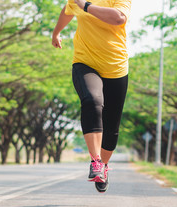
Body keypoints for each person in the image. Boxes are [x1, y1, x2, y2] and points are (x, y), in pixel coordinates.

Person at [52, 0, 131, 193]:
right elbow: (68, 10)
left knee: (111, 127)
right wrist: (56, 33)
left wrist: (85, 5)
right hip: (85, 61)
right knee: (92, 100)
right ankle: (95, 162)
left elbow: (118, 18)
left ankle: (103, 166)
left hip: (115, 67)